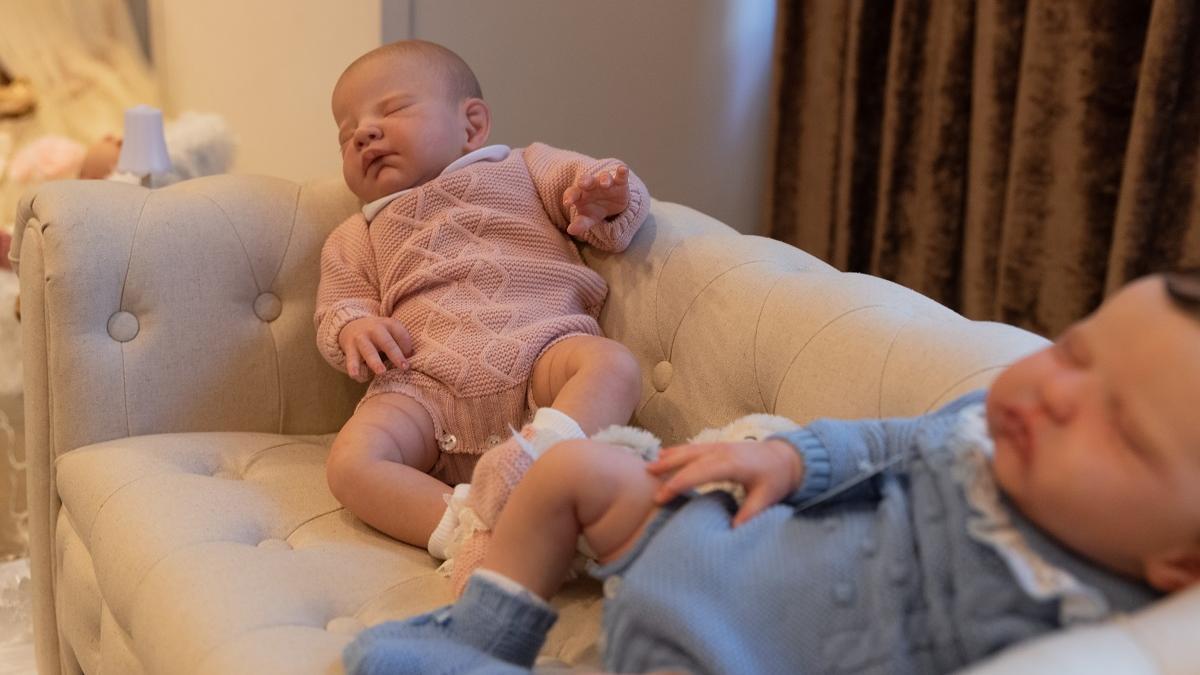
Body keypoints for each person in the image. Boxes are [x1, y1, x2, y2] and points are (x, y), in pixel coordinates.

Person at [342, 271, 1200, 675]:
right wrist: (785, 456)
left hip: (738, 653)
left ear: (1181, 561)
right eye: (1073, 352)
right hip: (718, 531)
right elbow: (887, 441)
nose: (1055, 394)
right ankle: (478, 637)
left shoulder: (1096, 620)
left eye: (1120, 426)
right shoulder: (983, 430)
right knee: (569, 469)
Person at [314, 40, 649, 593]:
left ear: (471, 125)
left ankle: (541, 461)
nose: (364, 134)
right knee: (350, 464)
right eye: (346, 134)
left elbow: (598, 196)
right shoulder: (357, 233)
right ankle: (472, 533)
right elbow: (339, 305)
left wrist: (606, 197)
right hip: (425, 385)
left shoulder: (525, 166)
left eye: (392, 110)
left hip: (540, 352)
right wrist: (355, 326)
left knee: (611, 365)